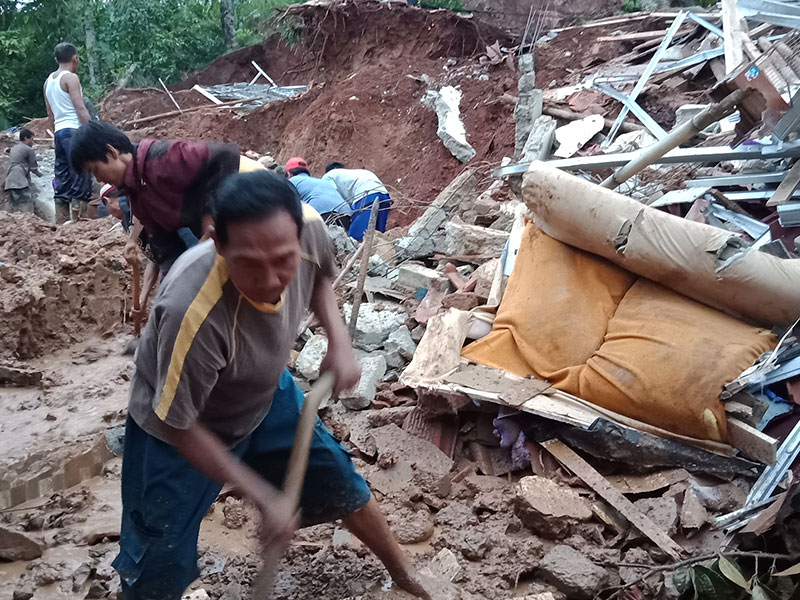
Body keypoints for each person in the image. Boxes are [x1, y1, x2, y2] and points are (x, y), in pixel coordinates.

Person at [113, 170, 430, 600]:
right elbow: (179, 424)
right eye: (248, 263)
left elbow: (318, 278)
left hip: (263, 393)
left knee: (344, 485)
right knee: (157, 563)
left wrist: (339, 342)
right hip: (177, 427)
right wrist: (262, 495)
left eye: (283, 259)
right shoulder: (190, 310)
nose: (270, 279)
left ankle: (406, 576)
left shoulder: (308, 226)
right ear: (216, 242)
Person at [70, 120, 244, 274]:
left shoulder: (163, 159)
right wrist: (174, 282)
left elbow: (225, 156)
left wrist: (210, 219)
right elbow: (167, 250)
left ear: (111, 152)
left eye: (96, 170)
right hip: (228, 240)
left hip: (253, 204)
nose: (99, 179)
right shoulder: (137, 197)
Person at [44, 42, 92, 224]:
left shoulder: (48, 82)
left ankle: (61, 222)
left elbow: (50, 115)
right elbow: (80, 108)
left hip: (59, 133)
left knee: (62, 175)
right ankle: (79, 223)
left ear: (57, 59)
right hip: (75, 132)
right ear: (75, 58)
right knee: (80, 173)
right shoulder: (70, 78)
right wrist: (93, 131)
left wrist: (55, 136)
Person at [323, 161, 392, 241]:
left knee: (356, 238)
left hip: (366, 196)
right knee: (378, 236)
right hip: (384, 195)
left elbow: (331, 196)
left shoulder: (327, 176)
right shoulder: (352, 174)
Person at [285, 156, 351, 229]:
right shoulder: (322, 182)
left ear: (288, 174)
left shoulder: (292, 181)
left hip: (321, 214)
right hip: (346, 214)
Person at [3, 128, 42, 214]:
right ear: (26, 138)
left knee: (16, 208)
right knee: (27, 206)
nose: (33, 142)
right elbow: (33, 169)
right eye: (32, 139)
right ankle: (29, 224)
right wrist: (42, 176)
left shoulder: (14, 148)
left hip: (10, 180)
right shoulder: (29, 150)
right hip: (19, 181)